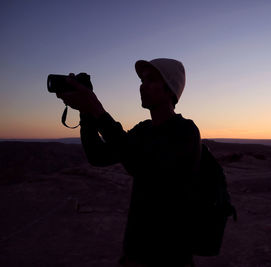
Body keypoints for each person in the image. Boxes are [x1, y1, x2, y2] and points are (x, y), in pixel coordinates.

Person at [56, 58, 201, 267]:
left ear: (170, 90)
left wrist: (97, 109)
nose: (143, 86)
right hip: (135, 251)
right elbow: (98, 155)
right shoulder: (143, 130)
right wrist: (86, 113)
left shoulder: (185, 131)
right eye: (142, 80)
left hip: (170, 254)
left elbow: (140, 165)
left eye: (151, 80)